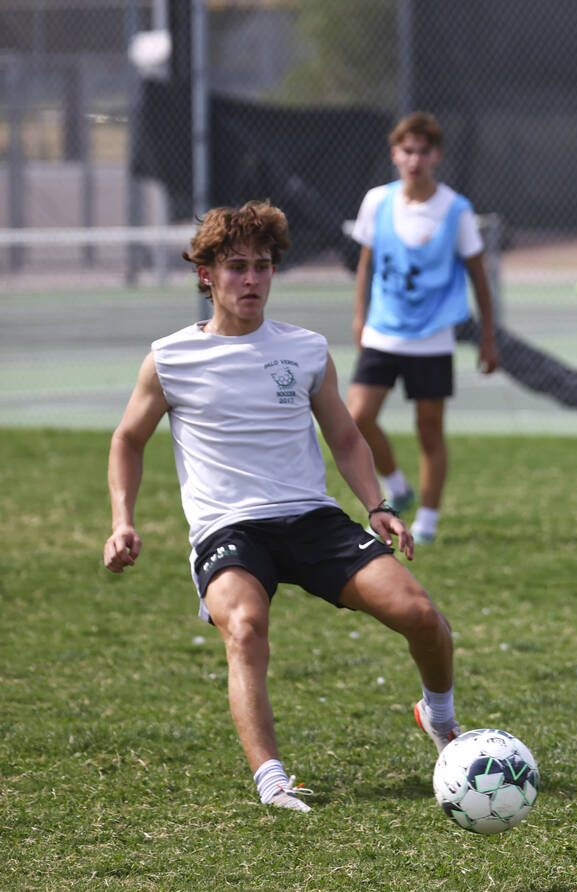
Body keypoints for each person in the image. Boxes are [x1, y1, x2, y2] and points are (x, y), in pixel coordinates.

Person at [103, 200, 462, 813]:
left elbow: (346, 437)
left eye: (262, 267)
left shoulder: (305, 349)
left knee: (422, 615)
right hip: (228, 529)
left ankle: (439, 716)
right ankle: (272, 778)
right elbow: (127, 440)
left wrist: (376, 504)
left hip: (311, 519)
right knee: (244, 627)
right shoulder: (170, 359)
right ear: (206, 275)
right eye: (236, 266)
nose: (251, 279)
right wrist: (123, 520)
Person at [348, 112, 500, 544]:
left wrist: (488, 337)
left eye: (423, 151)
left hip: (433, 336)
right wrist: (359, 316)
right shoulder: (377, 202)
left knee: (429, 430)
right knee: (357, 417)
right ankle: (397, 488)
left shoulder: (456, 209)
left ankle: (428, 522)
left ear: (436, 156)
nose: (414, 159)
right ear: (395, 154)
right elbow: (366, 265)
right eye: (406, 150)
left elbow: (479, 276)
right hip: (383, 331)